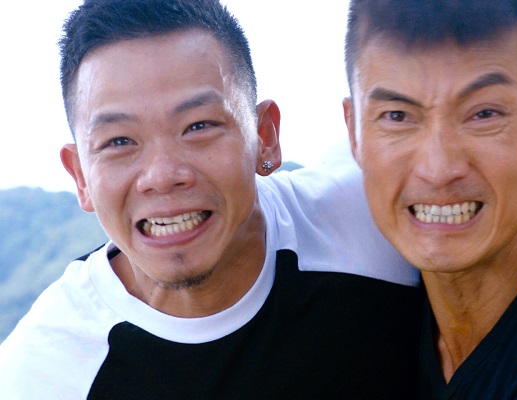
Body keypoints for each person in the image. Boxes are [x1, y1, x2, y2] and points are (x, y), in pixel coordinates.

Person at [0, 0, 422, 398]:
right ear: (80, 176)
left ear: (265, 137)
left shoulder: (377, 222)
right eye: (119, 141)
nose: (163, 176)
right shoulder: (44, 375)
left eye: (198, 126)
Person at [343, 0, 517, 398]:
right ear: (354, 132)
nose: (438, 169)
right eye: (397, 116)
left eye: (484, 114)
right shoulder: (345, 295)